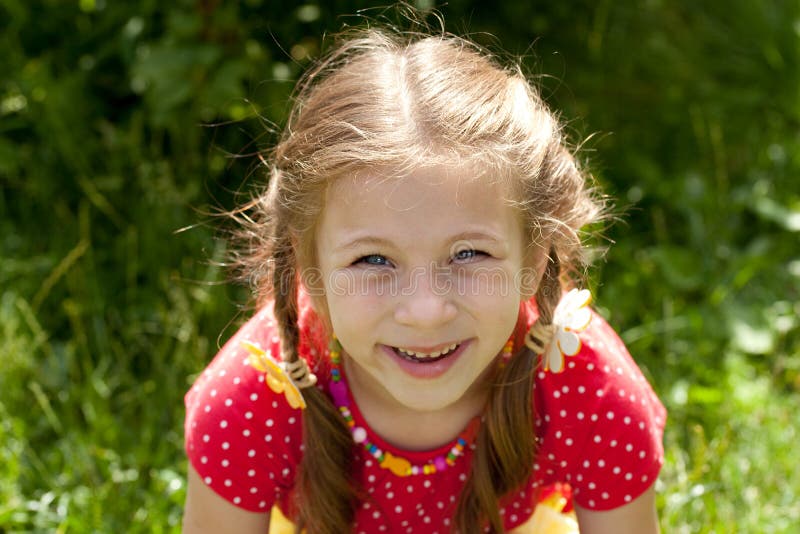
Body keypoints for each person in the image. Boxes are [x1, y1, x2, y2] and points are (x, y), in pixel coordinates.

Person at [181, 19, 666, 534]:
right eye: (373, 260)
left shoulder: (585, 385)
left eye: (469, 254)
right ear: (310, 270)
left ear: (535, 258)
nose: (426, 310)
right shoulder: (253, 399)